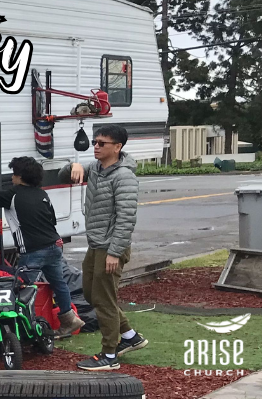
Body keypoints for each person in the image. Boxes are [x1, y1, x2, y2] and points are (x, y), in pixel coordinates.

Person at [0, 156, 85, 336]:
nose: (12, 177)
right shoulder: (43, 194)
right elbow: (52, 220)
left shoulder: (12, 195)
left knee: (21, 287)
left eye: (14, 173)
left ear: (20, 176)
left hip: (32, 251)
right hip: (54, 246)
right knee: (59, 283)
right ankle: (69, 319)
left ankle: (24, 327)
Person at [59, 124, 148, 371]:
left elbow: (126, 217)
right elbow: (63, 175)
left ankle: (109, 356)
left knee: (103, 300)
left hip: (110, 248)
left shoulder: (124, 176)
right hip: (96, 244)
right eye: (95, 142)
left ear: (117, 147)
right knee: (90, 294)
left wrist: (115, 252)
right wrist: (73, 167)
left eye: (102, 143)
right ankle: (130, 336)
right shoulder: (97, 169)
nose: (95, 147)